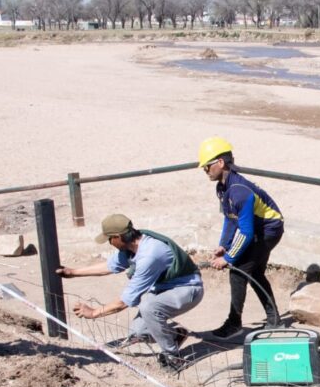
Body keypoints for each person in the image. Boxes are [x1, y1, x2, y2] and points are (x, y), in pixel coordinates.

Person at [56, 214, 204, 372]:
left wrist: (94, 313)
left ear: (118, 237)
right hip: (165, 289)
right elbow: (108, 266)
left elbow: (124, 301)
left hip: (188, 289)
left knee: (149, 307)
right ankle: (175, 335)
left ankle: (173, 356)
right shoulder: (131, 247)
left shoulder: (149, 255)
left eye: (109, 239)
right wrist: (73, 272)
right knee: (139, 332)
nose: (109, 243)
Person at [197, 136, 284, 338]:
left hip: (268, 230)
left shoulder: (238, 191)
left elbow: (246, 232)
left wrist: (228, 259)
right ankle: (274, 320)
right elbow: (230, 219)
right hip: (258, 229)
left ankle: (234, 323)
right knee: (253, 273)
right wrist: (224, 246)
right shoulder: (223, 187)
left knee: (238, 271)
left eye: (207, 167)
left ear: (220, 163)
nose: (205, 171)